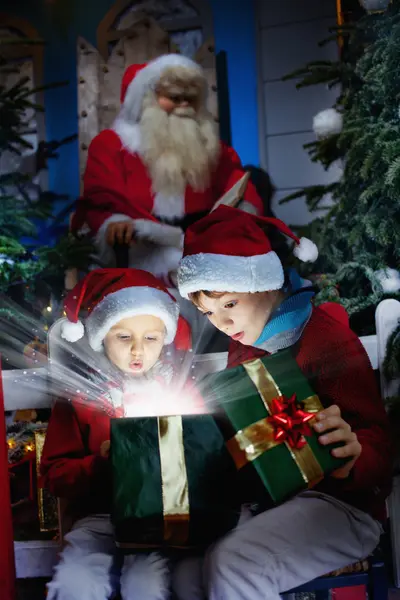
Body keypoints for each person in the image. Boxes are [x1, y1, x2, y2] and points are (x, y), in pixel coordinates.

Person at [174, 205, 393, 600]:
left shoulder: (324, 338)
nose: (221, 323)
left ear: (266, 284)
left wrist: (353, 456)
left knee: (234, 565)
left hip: (343, 507)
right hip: (268, 503)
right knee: (186, 574)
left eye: (229, 304)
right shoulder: (242, 347)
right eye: (207, 312)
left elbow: (378, 440)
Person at [41, 268, 204, 600]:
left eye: (150, 338)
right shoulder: (80, 398)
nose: (137, 351)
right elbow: (55, 473)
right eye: (123, 336)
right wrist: (101, 462)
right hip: (99, 518)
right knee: (75, 581)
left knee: (144, 583)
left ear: (165, 339)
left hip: (159, 523)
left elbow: (206, 454)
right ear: (102, 337)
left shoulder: (181, 389)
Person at [72, 54, 263, 283]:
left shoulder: (211, 148)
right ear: (145, 100)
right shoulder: (112, 145)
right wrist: (113, 223)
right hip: (142, 248)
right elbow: (100, 198)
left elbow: (237, 183)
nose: (184, 105)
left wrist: (242, 213)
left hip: (203, 247)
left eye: (190, 98)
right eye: (173, 97)